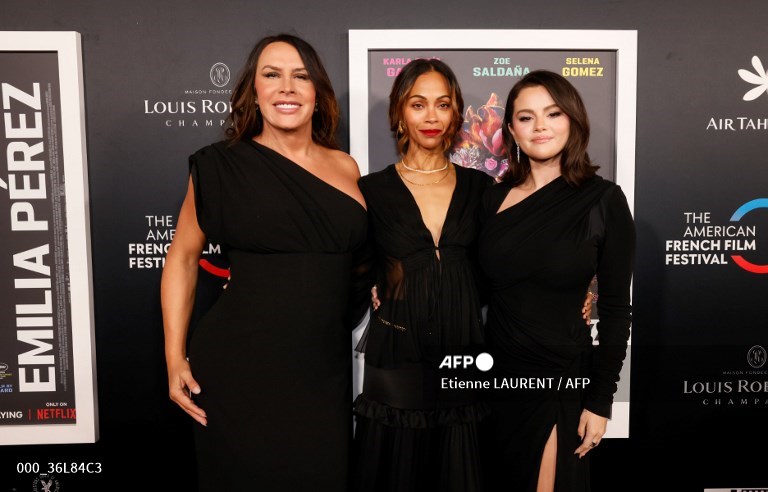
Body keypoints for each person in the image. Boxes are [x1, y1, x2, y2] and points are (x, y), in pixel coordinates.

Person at [352, 60, 592, 492]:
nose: (430, 116)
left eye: (442, 105)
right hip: (398, 357)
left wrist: (575, 291)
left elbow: (518, 259)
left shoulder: (484, 190)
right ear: (399, 114)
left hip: (467, 357)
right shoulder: (369, 190)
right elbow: (350, 263)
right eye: (417, 104)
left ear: (456, 113)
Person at [160, 34, 370, 491]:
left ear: (318, 93)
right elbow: (182, 256)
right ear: (253, 92)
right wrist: (174, 357)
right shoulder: (220, 166)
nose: (287, 88)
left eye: (301, 76)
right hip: (241, 366)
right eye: (271, 75)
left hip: (322, 371)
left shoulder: (347, 167)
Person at [477, 70, 635, 492]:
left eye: (553, 113)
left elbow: (617, 310)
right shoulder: (491, 198)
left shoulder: (603, 200)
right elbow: (469, 281)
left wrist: (600, 400)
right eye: (526, 117)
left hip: (558, 378)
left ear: (573, 120)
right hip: (495, 379)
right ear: (511, 129)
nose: (540, 126)